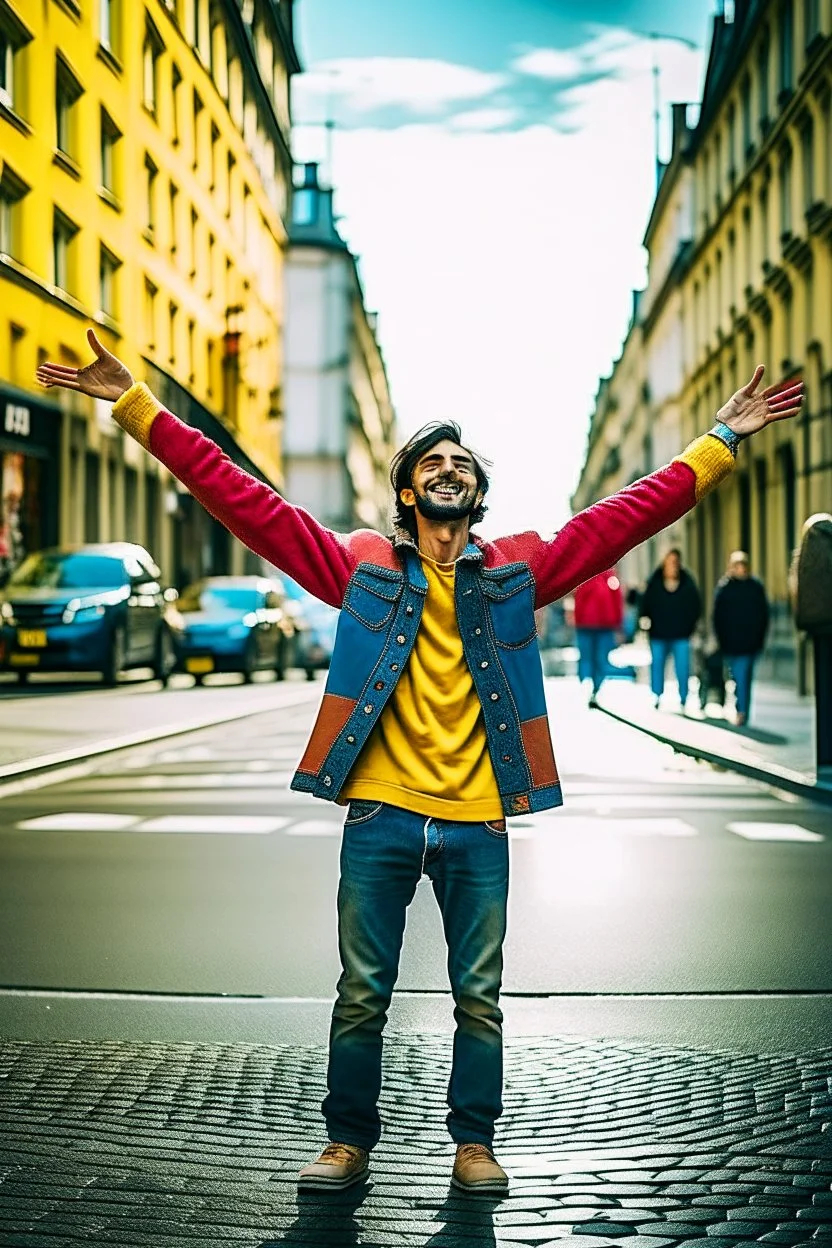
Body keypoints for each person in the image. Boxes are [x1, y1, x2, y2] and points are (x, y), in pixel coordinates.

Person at [36, 330, 803, 1196]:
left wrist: (724, 439)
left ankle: (473, 1145)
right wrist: (136, 404)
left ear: (475, 490)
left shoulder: (515, 568)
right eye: (432, 460)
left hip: (479, 818)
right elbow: (245, 502)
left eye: (462, 461)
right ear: (408, 487)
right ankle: (346, 1142)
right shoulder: (361, 565)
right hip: (380, 813)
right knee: (363, 990)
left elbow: (624, 516)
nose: (449, 468)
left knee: (479, 996)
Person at [713, 550, 769, 726]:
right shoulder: (724, 588)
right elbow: (717, 617)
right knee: (738, 678)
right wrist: (721, 640)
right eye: (737, 566)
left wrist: (760, 638)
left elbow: (764, 615)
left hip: (750, 643)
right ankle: (742, 709)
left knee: (744, 677)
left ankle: (743, 710)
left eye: (743, 566)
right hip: (731, 643)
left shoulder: (756, 587)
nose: (741, 570)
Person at [641, 549, 702, 711]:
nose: (672, 566)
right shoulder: (654, 582)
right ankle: (657, 694)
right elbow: (645, 605)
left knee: (683, 667)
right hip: (658, 634)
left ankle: (683, 697)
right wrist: (644, 622)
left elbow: (696, 607)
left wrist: (691, 626)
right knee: (657, 665)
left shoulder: (688, 582)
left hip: (681, 634)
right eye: (669, 562)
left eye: (675, 562)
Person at [573, 567, 623, 707]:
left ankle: (595, 687)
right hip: (586, 626)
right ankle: (587, 684)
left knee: (600, 659)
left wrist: (618, 624)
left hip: (603, 626)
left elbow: (617, 600)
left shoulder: (610, 578)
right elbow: (579, 599)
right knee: (587, 657)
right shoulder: (586, 576)